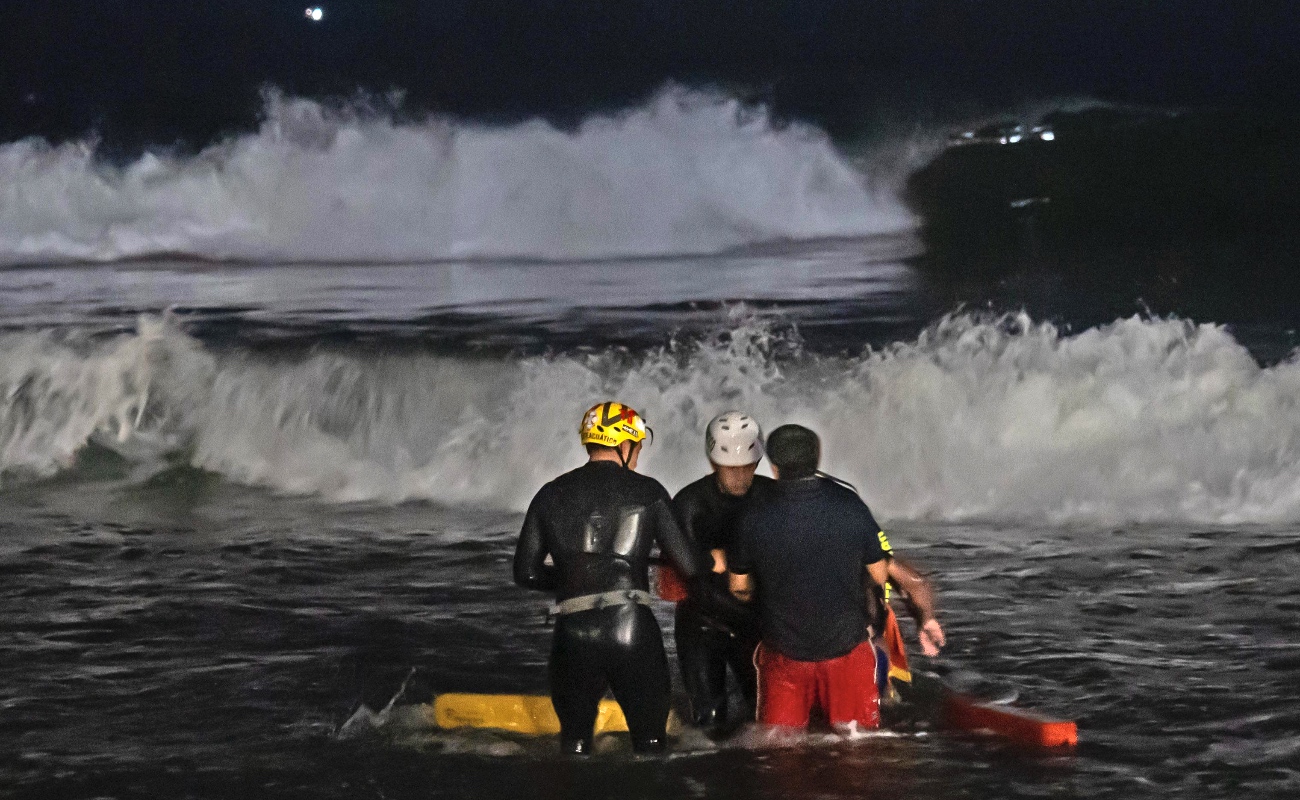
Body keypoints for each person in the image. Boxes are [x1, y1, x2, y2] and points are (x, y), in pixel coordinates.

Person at [513, 401, 710, 755]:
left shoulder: (549, 493)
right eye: (636, 447)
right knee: (650, 745)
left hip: (573, 632)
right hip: (630, 629)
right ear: (625, 445)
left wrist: (575, 579)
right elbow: (690, 566)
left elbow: (526, 572)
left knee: (574, 744)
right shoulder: (648, 492)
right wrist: (714, 558)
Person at [728, 424, 932, 731]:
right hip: (846, 653)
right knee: (858, 748)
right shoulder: (850, 505)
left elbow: (739, 588)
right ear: (817, 458)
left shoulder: (751, 516)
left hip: (785, 655)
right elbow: (878, 574)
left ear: (773, 466)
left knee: (780, 753)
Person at [668, 411, 771, 730]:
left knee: (764, 719)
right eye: (731, 468)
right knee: (710, 722)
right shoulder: (688, 503)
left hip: (757, 626)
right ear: (713, 463)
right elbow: (688, 575)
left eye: (747, 467)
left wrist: (722, 560)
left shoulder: (772, 499)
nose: (740, 476)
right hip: (703, 624)